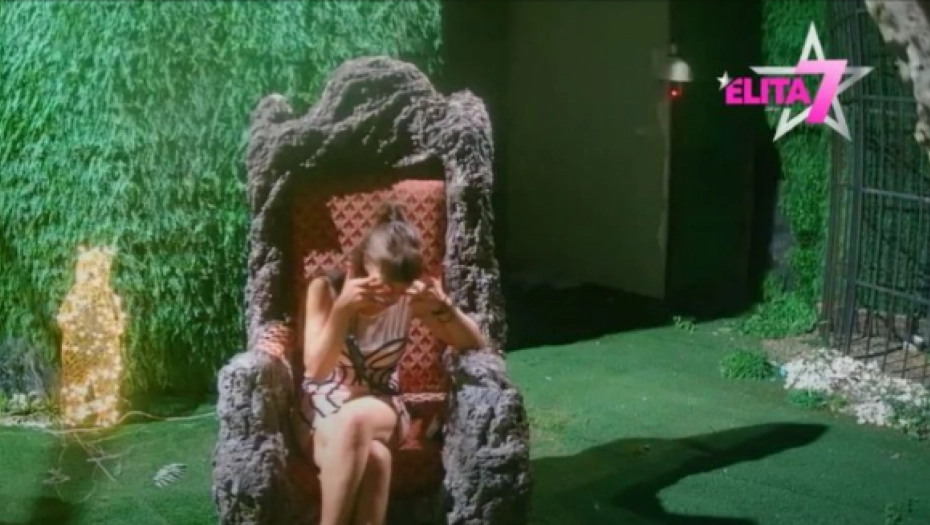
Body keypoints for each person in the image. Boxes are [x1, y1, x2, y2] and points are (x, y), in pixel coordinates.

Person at [300, 201, 485, 525]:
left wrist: (445, 308)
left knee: (354, 421)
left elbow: (474, 343)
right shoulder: (325, 289)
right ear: (364, 264)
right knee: (375, 459)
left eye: (398, 291)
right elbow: (316, 370)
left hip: (382, 405)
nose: (390, 297)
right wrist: (342, 310)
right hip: (321, 410)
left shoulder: (407, 297)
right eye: (383, 286)